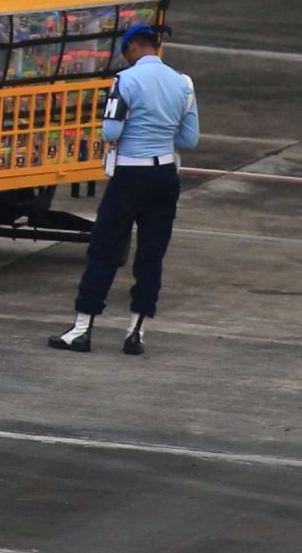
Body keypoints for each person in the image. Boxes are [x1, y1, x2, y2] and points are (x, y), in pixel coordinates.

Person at [49, 24, 199, 355]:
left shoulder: (125, 81)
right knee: (151, 255)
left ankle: (82, 329)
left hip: (130, 175)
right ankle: (136, 332)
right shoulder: (183, 83)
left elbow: (110, 130)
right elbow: (189, 139)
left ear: (132, 48)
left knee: (104, 250)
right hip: (165, 177)